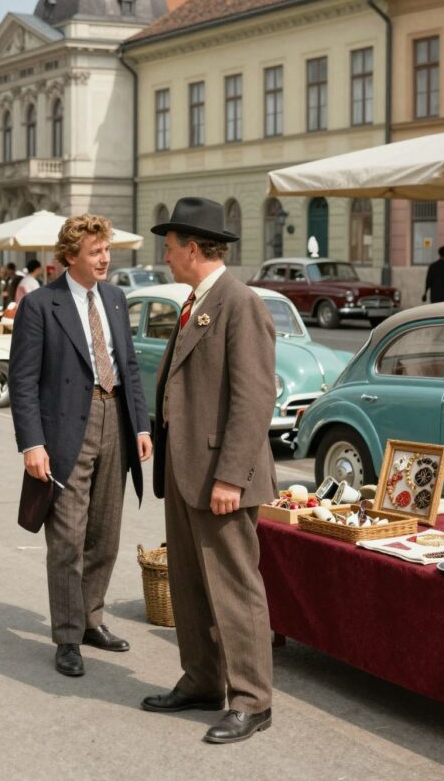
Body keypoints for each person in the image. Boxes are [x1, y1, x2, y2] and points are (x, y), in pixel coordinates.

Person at [141, 197, 276, 745]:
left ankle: (252, 700)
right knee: (190, 585)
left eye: (170, 247)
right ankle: (201, 681)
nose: (165, 256)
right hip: (185, 467)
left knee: (234, 588)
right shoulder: (199, 300)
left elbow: (254, 398)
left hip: (220, 474)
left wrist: (231, 476)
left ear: (193, 249)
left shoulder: (239, 302)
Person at [10, 214, 152, 678]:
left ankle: (92, 619)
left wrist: (141, 426)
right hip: (66, 429)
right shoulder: (40, 304)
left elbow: (129, 367)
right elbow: (23, 381)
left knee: (105, 534)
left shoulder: (115, 298)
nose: (105, 258)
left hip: (116, 419)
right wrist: (32, 443)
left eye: (107, 250)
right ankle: (68, 636)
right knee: (67, 539)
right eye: (95, 252)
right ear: (70, 256)